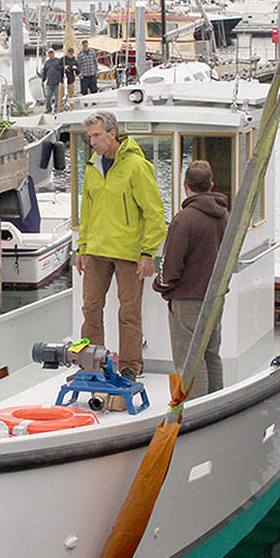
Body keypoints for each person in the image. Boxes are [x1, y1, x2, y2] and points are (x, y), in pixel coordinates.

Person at [75, 111, 166, 379]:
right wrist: (82, 247)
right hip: (96, 251)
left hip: (128, 252)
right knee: (90, 308)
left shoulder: (137, 166)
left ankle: (129, 366)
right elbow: (87, 210)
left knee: (128, 312)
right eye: (89, 136)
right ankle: (91, 364)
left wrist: (148, 252)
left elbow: (154, 213)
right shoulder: (93, 166)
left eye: (96, 135)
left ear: (112, 134)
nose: (92, 141)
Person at [154, 160, 229, 397]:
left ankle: (196, 410)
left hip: (187, 300)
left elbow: (171, 265)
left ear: (185, 185)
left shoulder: (184, 219)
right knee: (210, 354)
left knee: (189, 361)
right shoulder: (224, 215)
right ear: (211, 185)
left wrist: (161, 284)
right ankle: (216, 402)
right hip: (215, 297)